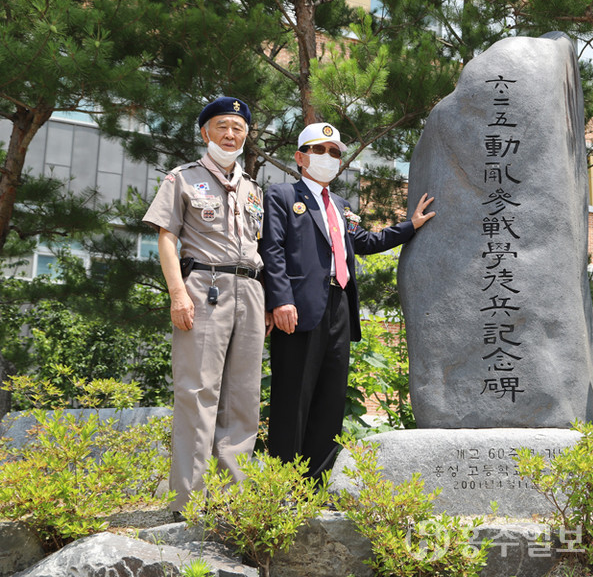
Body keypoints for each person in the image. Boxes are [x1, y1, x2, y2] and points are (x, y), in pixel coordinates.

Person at [260, 122, 435, 479]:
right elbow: (272, 250)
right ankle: (281, 487)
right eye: (319, 150)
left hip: (339, 307)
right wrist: (280, 300)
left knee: (330, 398)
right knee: (292, 398)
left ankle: (315, 484)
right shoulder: (281, 196)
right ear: (300, 157)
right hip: (298, 308)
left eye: (335, 152)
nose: (328, 157)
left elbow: (364, 242)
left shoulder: (340, 205)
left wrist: (410, 226)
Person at [143, 96, 265, 515]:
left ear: (246, 135)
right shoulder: (182, 178)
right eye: (222, 126)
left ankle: (235, 500)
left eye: (238, 128)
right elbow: (166, 237)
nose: (231, 134)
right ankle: (187, 503)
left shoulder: (253, 189)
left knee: (244, 397)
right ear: (204, 132)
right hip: (203, 285)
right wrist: (177, 292)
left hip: (249, 289)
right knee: (197, 393)